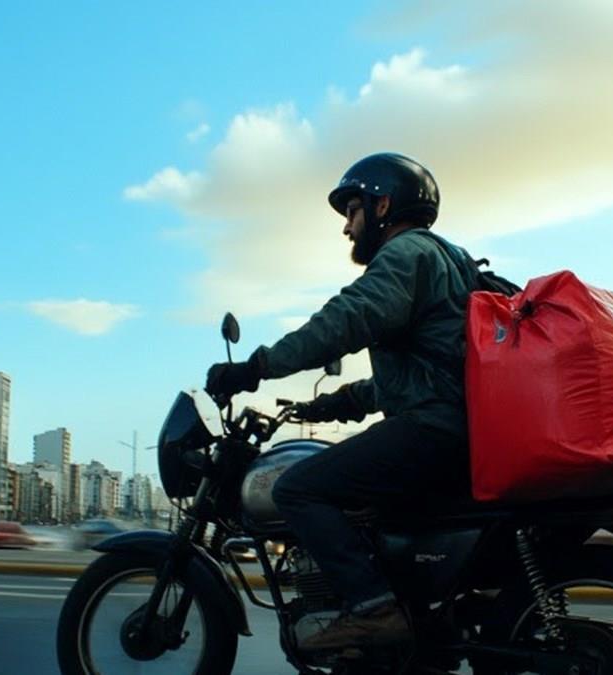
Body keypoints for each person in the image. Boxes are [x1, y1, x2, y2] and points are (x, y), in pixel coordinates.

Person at [205, 152, 479, 652]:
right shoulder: (447, 258)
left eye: (353, 211)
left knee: (297, 488)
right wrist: (328, 405)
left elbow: (346, 320)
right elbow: (418, 377)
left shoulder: (405, 254)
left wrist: (256, 367)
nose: (347, 227)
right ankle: (410, 621)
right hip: (450, 421)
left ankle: (374, 609)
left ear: (382, 205)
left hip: (433, 429)